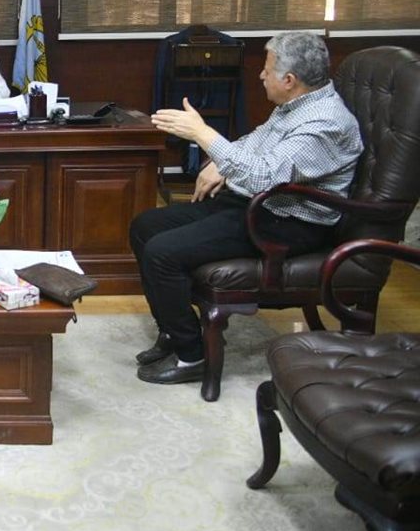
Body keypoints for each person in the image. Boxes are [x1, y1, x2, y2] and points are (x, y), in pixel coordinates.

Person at [130, 31, 363, 385]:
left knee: (162, 253)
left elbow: (264, 176)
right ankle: (175, 331)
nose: (261, 75)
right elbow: (255, 141)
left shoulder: (325, 123)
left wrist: (204, 135)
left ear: (289, 80)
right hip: (256, 204)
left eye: (267, 70)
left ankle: (193, 355)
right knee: (145, 226)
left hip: (289, 221)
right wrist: (219, 164)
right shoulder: (296, 105)